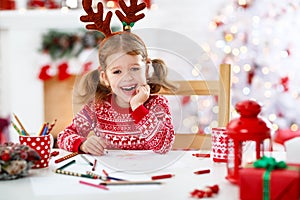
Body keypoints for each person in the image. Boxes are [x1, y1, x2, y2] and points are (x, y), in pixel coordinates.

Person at [57, 32, 178, 155]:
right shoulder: (96, 107)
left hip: (147, 171)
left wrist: (138, 107)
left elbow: (164, 146)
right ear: (105, 77)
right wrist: (82, 144)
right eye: (117, 72)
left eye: (135, 69)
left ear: (146, 70)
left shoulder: (157, 104)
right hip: (109, 173)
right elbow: (64, 136)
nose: (127, 78)